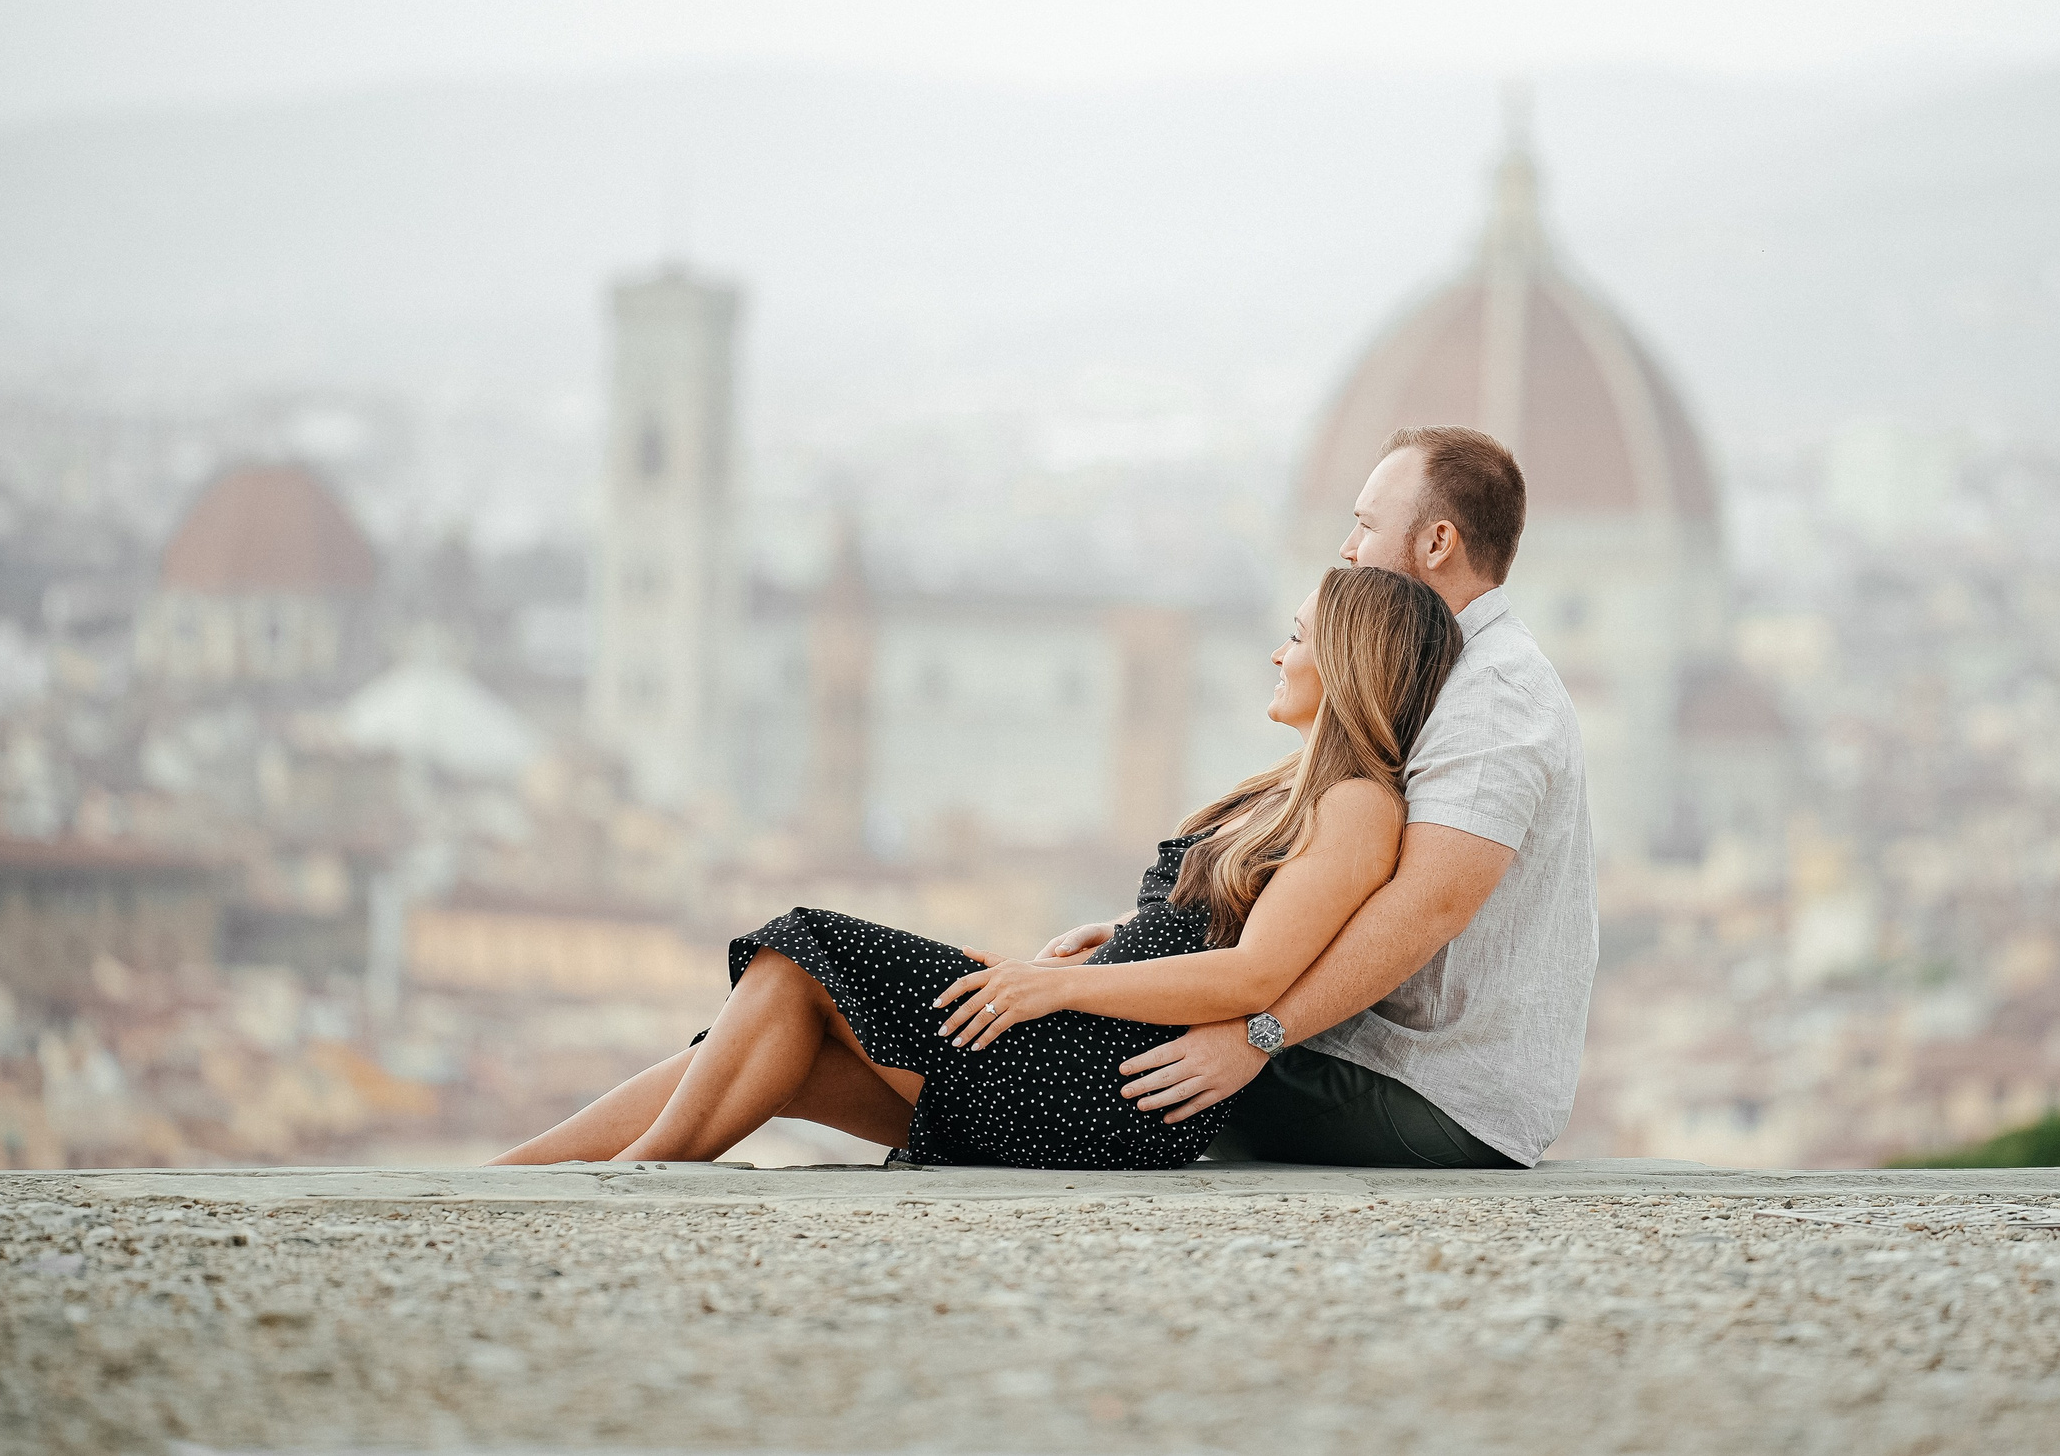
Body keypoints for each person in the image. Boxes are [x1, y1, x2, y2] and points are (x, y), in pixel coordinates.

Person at [488, 562, 1461, 1172]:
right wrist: (1108, 952)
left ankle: (633, 1180)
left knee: (800, 952)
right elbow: (1219, 929)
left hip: (1108, 1086)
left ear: (1344, 658)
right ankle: (518, 1175)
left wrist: (1050, 988)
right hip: (1092, 1053)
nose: (1278, 652)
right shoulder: (1293, 789)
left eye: (1297, 636)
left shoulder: (1358, 803)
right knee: (784, 1039)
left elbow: (1255, 975)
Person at [1048, 424, 1593, 1170]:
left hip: (1430, 1093)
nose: (1347, 547)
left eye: (1366, 525)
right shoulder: (1446, 669)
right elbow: (1314, 877)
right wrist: (1129, 935)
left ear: (1437, 543)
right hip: (1375, 1060)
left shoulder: (1491, 695)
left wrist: (1255, 1034)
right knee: (1091, 1011)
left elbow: (1423, 908)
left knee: (1086, 1036)